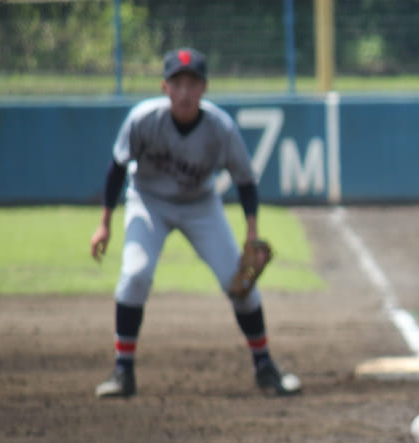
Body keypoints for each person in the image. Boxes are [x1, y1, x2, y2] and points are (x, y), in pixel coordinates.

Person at [89, 47, 301, 398]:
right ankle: (122, 373)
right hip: (149, 201)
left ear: (204, 89)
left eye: (192, 83)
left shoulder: (220, 128)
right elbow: (117, 169)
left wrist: (251, 234)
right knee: (135, 275)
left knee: (240, 283)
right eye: (177, 83)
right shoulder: (143, 120)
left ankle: (265, 366)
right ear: (164, 87)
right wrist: (104, 224)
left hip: (200, 205)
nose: (184, 92)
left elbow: (245, 181)